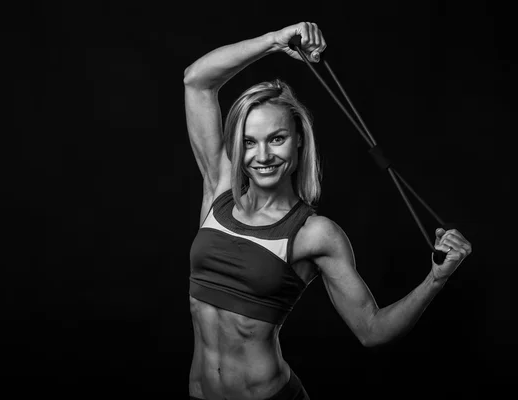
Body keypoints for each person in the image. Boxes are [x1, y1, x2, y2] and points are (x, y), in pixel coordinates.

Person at [184, 21, 472, 400]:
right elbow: (197, 81)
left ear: (299, 140)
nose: (263, 155)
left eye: (277, 138)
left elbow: (371, 330)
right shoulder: (219, 189)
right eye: (249, 142)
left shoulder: (314, 233)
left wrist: (435, 280)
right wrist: (273, 41)